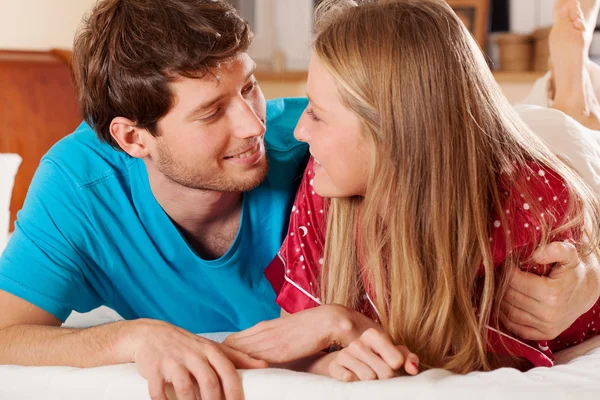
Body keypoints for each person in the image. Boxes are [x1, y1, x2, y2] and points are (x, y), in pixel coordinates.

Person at [0, 0, 597, 399]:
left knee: (552, 137)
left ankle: (570, 93)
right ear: (134, 138)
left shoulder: (312, 149)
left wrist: (588, 277)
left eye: (251, 85)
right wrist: (135, 335)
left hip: (480, 151)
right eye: (212, 112)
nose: (255, 125)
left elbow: (443, 155)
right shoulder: (79, 191)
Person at [225, 0, 600, 382]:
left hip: (546, 153)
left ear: (394, 136)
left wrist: (351, 326)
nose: (300, 132)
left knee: (573, 125)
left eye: (318, 115)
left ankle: (571, 74)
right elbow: (297, 340)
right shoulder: (328, 179)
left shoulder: (531, 205)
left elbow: (494, 363)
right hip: (467, 135)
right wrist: (335, 329)